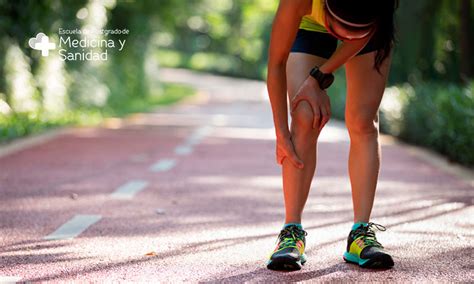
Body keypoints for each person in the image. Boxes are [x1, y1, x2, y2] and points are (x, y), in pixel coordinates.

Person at [265, 0, 399, 271]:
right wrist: (281, 133)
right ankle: (291, 232)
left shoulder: (378, 9)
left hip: (370, 28)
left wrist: (319, 77)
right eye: (341, 29)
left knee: (363, 121)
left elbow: (361, 34)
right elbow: (276, 63)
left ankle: (360, 233)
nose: (343, 37)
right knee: (304, 115)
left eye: (351, 31)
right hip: (310, 25)